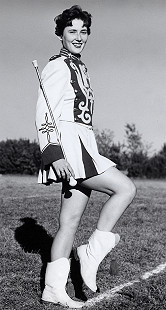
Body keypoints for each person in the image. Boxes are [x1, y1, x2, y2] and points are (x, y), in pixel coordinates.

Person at [35, 5, 136, 308]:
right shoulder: (58, 66)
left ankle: (52, 289)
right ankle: (90, 252)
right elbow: (45, 112)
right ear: (61, 34)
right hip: (69, 147)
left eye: (83, 31)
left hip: (83, 143)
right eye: (71, 31)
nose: (78, 36)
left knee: (69, 221)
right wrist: (54, 154)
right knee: (125, 188)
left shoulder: (79, 66)